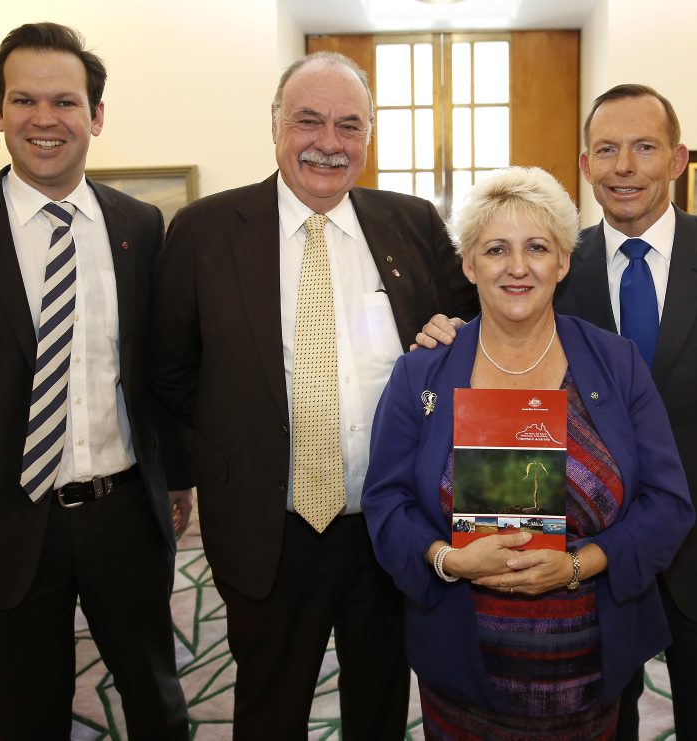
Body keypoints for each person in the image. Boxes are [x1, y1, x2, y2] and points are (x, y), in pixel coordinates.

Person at [418, 85, 697, 740]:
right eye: (607, 150)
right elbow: (495, 339)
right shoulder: (552, 261)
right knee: (606, 714)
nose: (624, 167)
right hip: (587, 545)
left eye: (643, 148)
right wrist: (441, 327)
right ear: (585, 164)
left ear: (677, 158)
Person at [0, 22, 192, 739]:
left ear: (96, 116)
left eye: (65, 102)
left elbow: (158, 370)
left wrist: (177, 476)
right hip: (1, 525)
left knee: (157, 701)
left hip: (125, 520)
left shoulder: (139, 225)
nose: (44, 119)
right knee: (28, 714)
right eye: (24, 100)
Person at [146, 51, 478, 739]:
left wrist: (454, 335)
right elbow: (170, 369)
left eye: (349, 125)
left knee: (382, 700)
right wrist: (226, 447)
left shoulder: (411, 223)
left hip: (390, 524)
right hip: (270, 528)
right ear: (275, 126)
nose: (329, 142)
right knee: (269, 704)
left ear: (368, 137)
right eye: (309, 120)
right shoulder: (206, 231)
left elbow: (472, 339)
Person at [362, 166, 695, 738]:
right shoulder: (423, 371)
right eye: (496, 249)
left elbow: (668, 504)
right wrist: (448, 559)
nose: (518, 267)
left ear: (562, 262)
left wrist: (576, 565)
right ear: (469, 265)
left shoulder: (617, 364)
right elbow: (386, 503)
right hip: (463, 668)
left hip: (588, 667)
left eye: (536, 247)